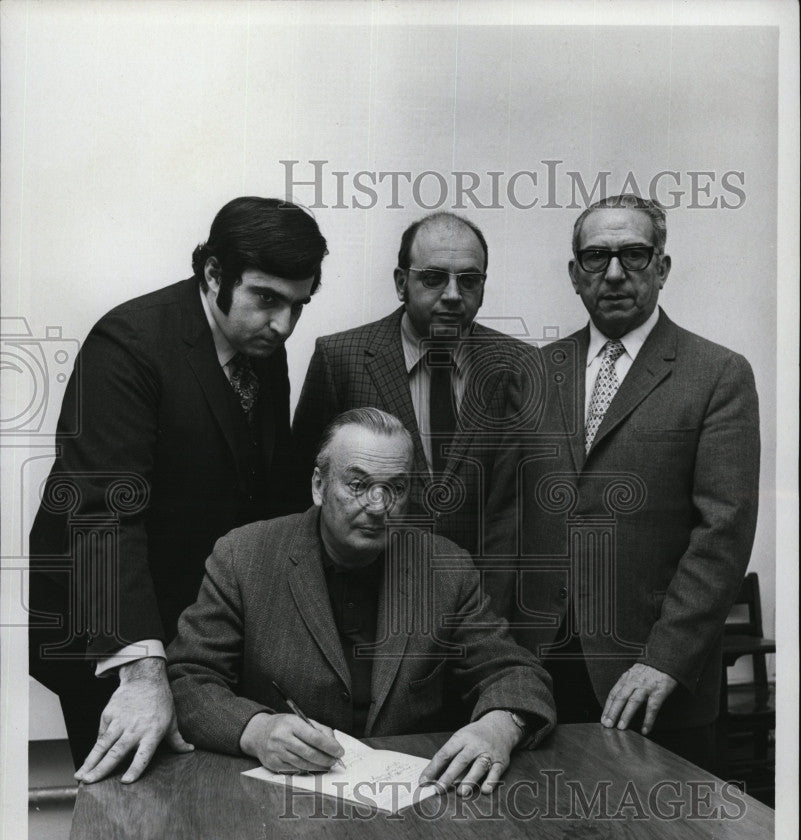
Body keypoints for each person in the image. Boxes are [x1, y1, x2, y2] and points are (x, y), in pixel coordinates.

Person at [29, 196, 328, 783]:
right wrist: (141, 673)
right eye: (266, 298)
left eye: (299, 305)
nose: (284, 324)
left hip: (194, 625)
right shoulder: (127, 344)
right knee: (130, 820)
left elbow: (257, 490)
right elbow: (103, 516)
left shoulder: (264, 347)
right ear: (213, 273)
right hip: (104, 628)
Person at [485, 195, 760, 771]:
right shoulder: (535, 372)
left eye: (634, 255)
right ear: (574, 274)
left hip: (651, 675)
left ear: (661, 267)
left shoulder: (717, 375)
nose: (613, 273)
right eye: (595, 258)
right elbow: (506, 521)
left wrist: (666, 658)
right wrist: (503, 657)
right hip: (540, 671)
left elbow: (723, 533)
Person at [167, 408, 556, 795]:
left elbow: (516, 673)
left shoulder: (445, 568)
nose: (378, 505)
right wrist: (255, 730)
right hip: (280, 803)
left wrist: (501, 726)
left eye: (396, 488)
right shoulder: (244, 555)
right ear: (319, 485)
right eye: (357, 484)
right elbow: (187, 680)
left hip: (413, 805)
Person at [292, 212, 542, 556]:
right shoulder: (340, 359)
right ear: (401, 284)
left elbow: (522, 501)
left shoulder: (521, 366)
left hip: (477, 592)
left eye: (469, 280)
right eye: (434, 278)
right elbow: (299, 488)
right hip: (367, 582)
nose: (453, 294)